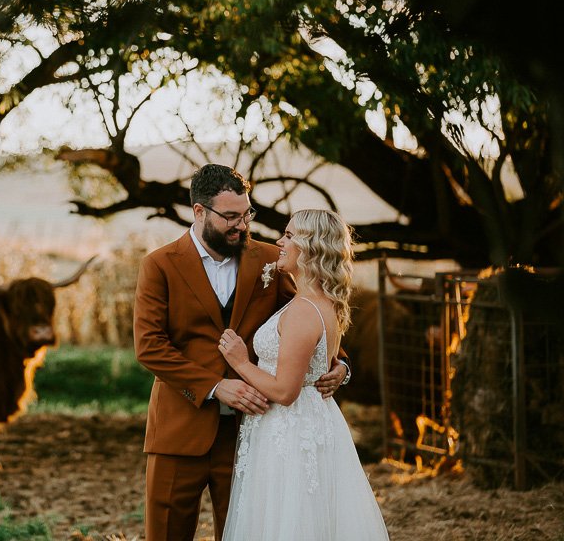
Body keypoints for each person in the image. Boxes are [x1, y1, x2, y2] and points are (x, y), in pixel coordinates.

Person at [134, 165, 351, 541]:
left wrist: (340, 363)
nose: (242, 225)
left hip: (251, 434)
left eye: (246, 213)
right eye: (231, 216)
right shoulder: (159, 265)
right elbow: (150, 346)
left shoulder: (272, 260)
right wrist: (216, 386)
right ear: (199, 212)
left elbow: (310, 313)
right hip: (178, 430)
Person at [218, 209, 389, 540]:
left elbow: (285, 391)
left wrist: (240, 362)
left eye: (289, 235)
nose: (280, 242)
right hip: (308, 423)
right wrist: (342, 369)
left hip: (290, 429)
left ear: (311, 248)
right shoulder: (322, 303)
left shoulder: (302, 312)